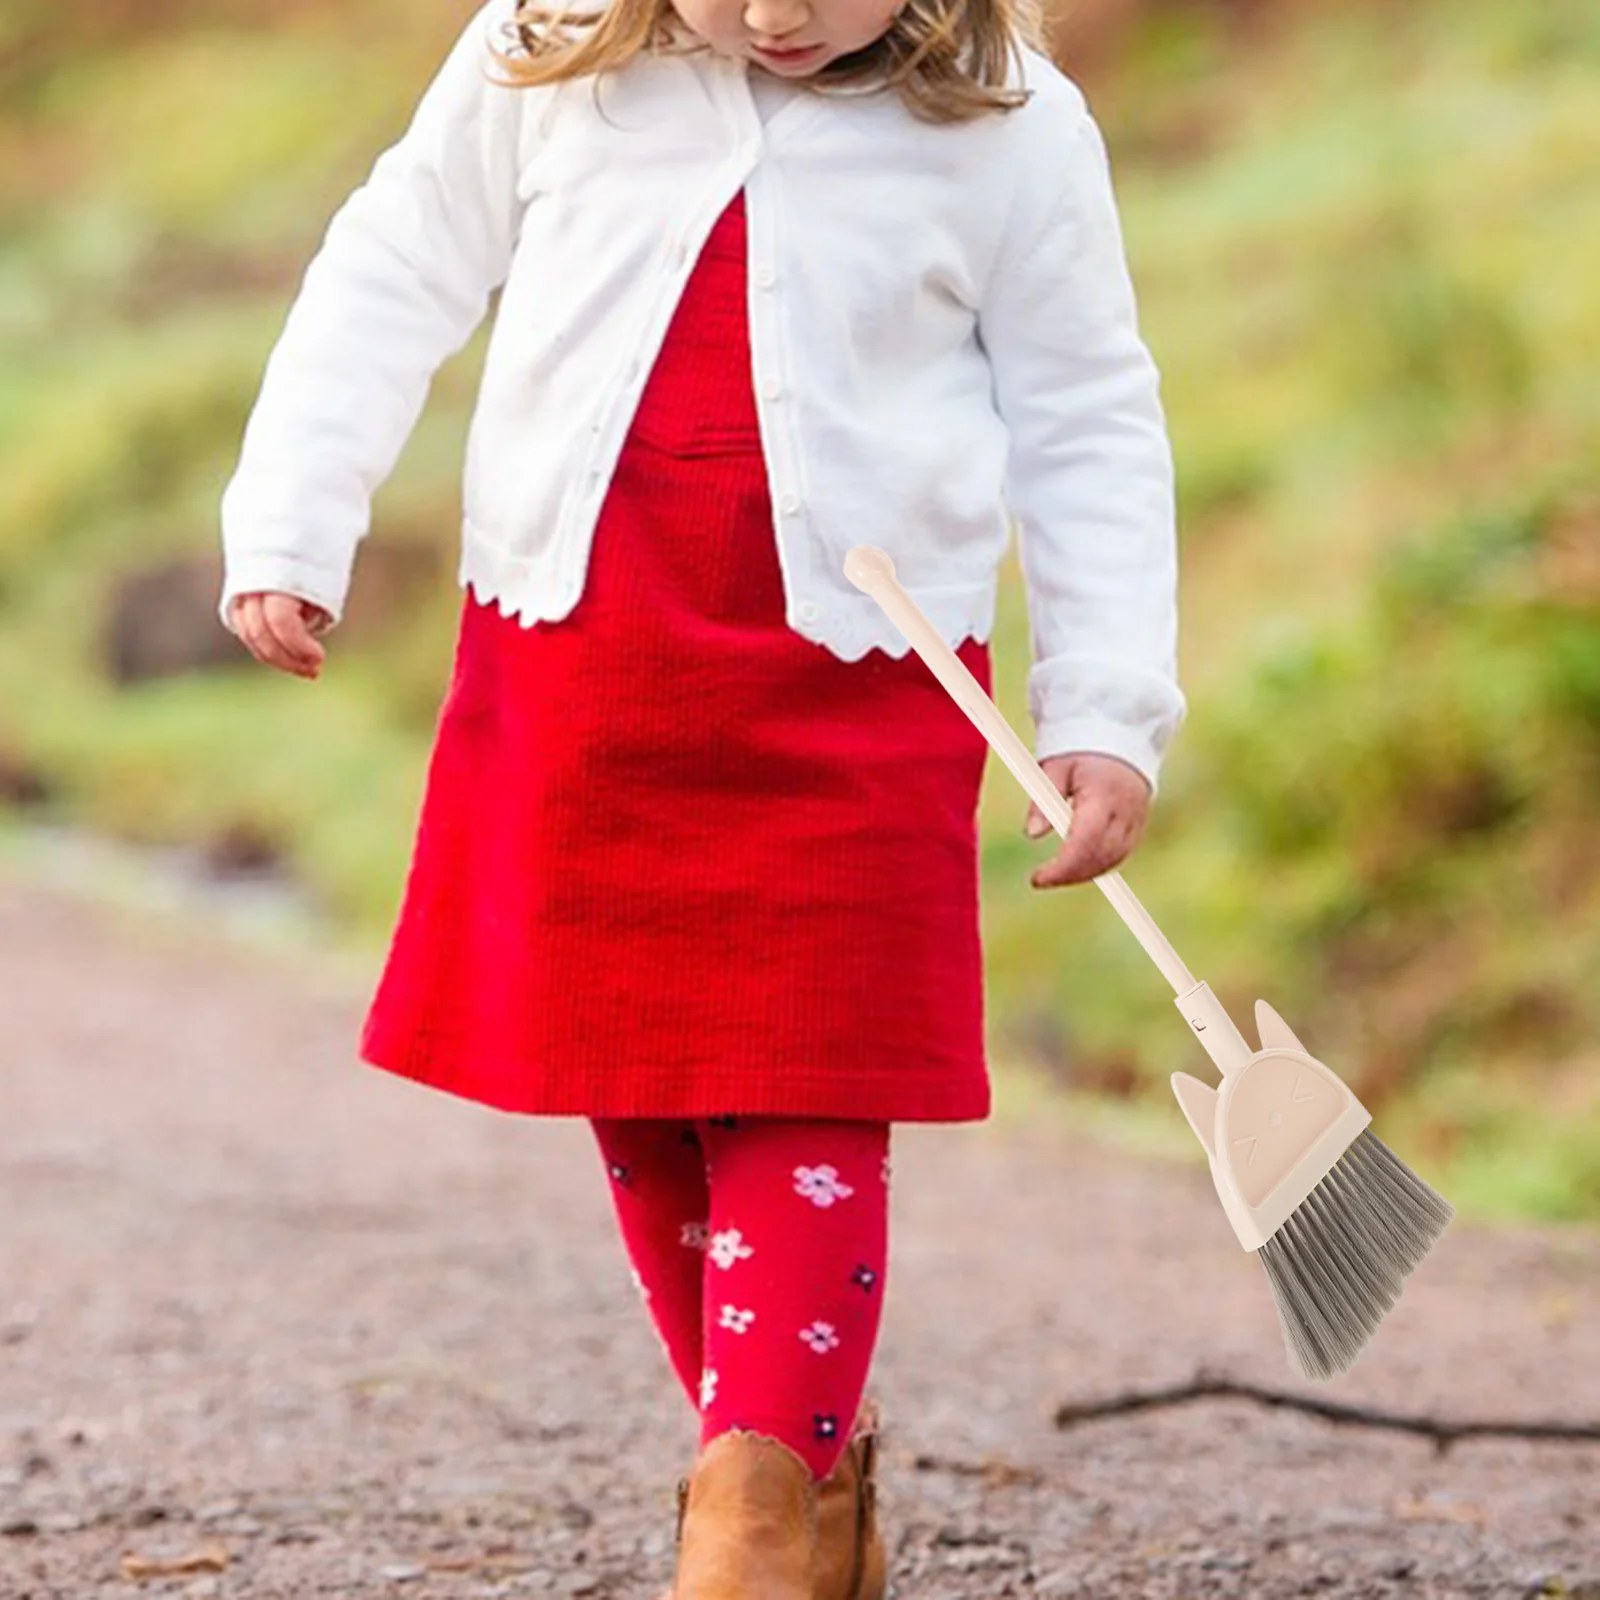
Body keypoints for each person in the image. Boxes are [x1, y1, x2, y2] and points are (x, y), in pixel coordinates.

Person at [217, 0, 1186, 1590]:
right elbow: (395, 267)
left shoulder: (1011, 125)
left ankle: (750, 1522)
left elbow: (1089, 417)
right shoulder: (551, 53)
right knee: (644, 1075)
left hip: (860, 683)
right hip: (590, 662)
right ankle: (805, 1494)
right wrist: (292, 522)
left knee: (813, 1067)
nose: (778, 13)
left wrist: (1104, 706)